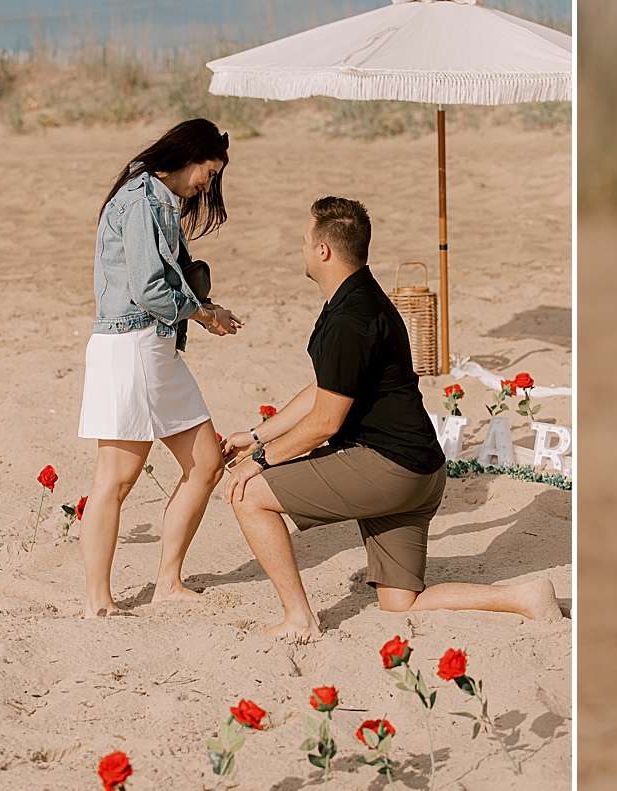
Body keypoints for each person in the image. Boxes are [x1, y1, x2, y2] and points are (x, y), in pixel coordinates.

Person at [221, 195, 561, 642]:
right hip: (422, 471)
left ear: (323, 250)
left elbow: (325, 421)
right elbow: (325, 390)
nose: (302, 248)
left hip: (389, 470)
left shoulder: (351, 317)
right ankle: (524, 598)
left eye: (305, 241)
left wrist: (260, 461)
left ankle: (299, 618)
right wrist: (255, 434)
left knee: (248, 496)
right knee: (400, 602)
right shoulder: (362, 296)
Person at [79, 118, 245, 618]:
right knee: (116, 479)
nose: (208, 184)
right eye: (209, 172)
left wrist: (205, 308)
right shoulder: (139, 201)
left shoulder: (158, 202)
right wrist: (203, 312)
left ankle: (167, 582)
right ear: (189, 156)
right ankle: (98, 602)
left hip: (155, 348)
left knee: (206, 465)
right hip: (132, 346)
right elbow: (149, 289)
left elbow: (162, 283)